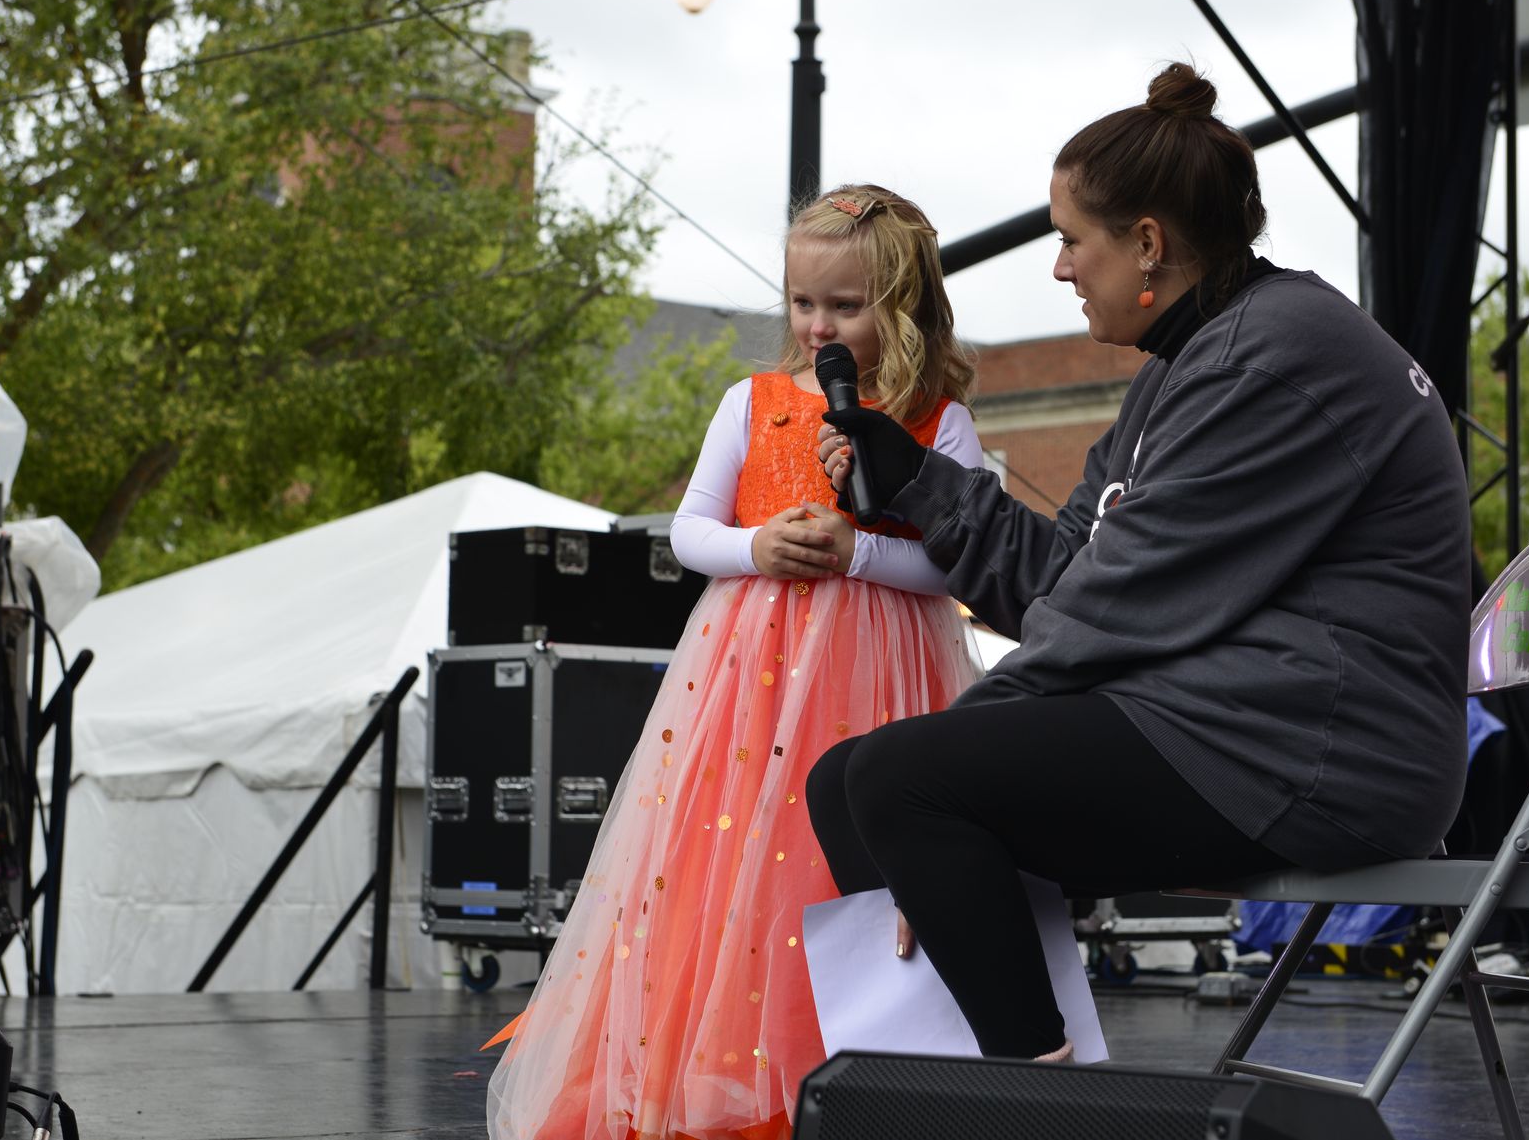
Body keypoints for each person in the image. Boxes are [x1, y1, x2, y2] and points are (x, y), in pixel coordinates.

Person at [809, 64, 1473, 1064]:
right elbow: (1061, 580)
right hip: (1231, 725)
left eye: (1073, 241)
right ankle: (950, 1067)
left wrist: (955, 749)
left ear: (1149, 244)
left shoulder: (1274, 360)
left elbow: (1109, 611)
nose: (1062, 269)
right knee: (846, 781)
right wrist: (918, 483)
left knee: (905, 782)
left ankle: (1032, 1100)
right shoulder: (1192, 364)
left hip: (1321, 754)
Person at [486, 184, 986, 1140]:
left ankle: (844, 1078)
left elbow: (954, 559)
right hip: (749, 681)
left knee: (839, 871)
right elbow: (688, 532)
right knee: (728, 868)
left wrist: (863, 551)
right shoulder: (751, 403)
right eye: (803, 302)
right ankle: (717, 1086)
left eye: (845, 306)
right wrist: (759, 546)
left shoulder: (936, 418)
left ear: (903, 305)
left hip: (876, 680)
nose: (817, 325)